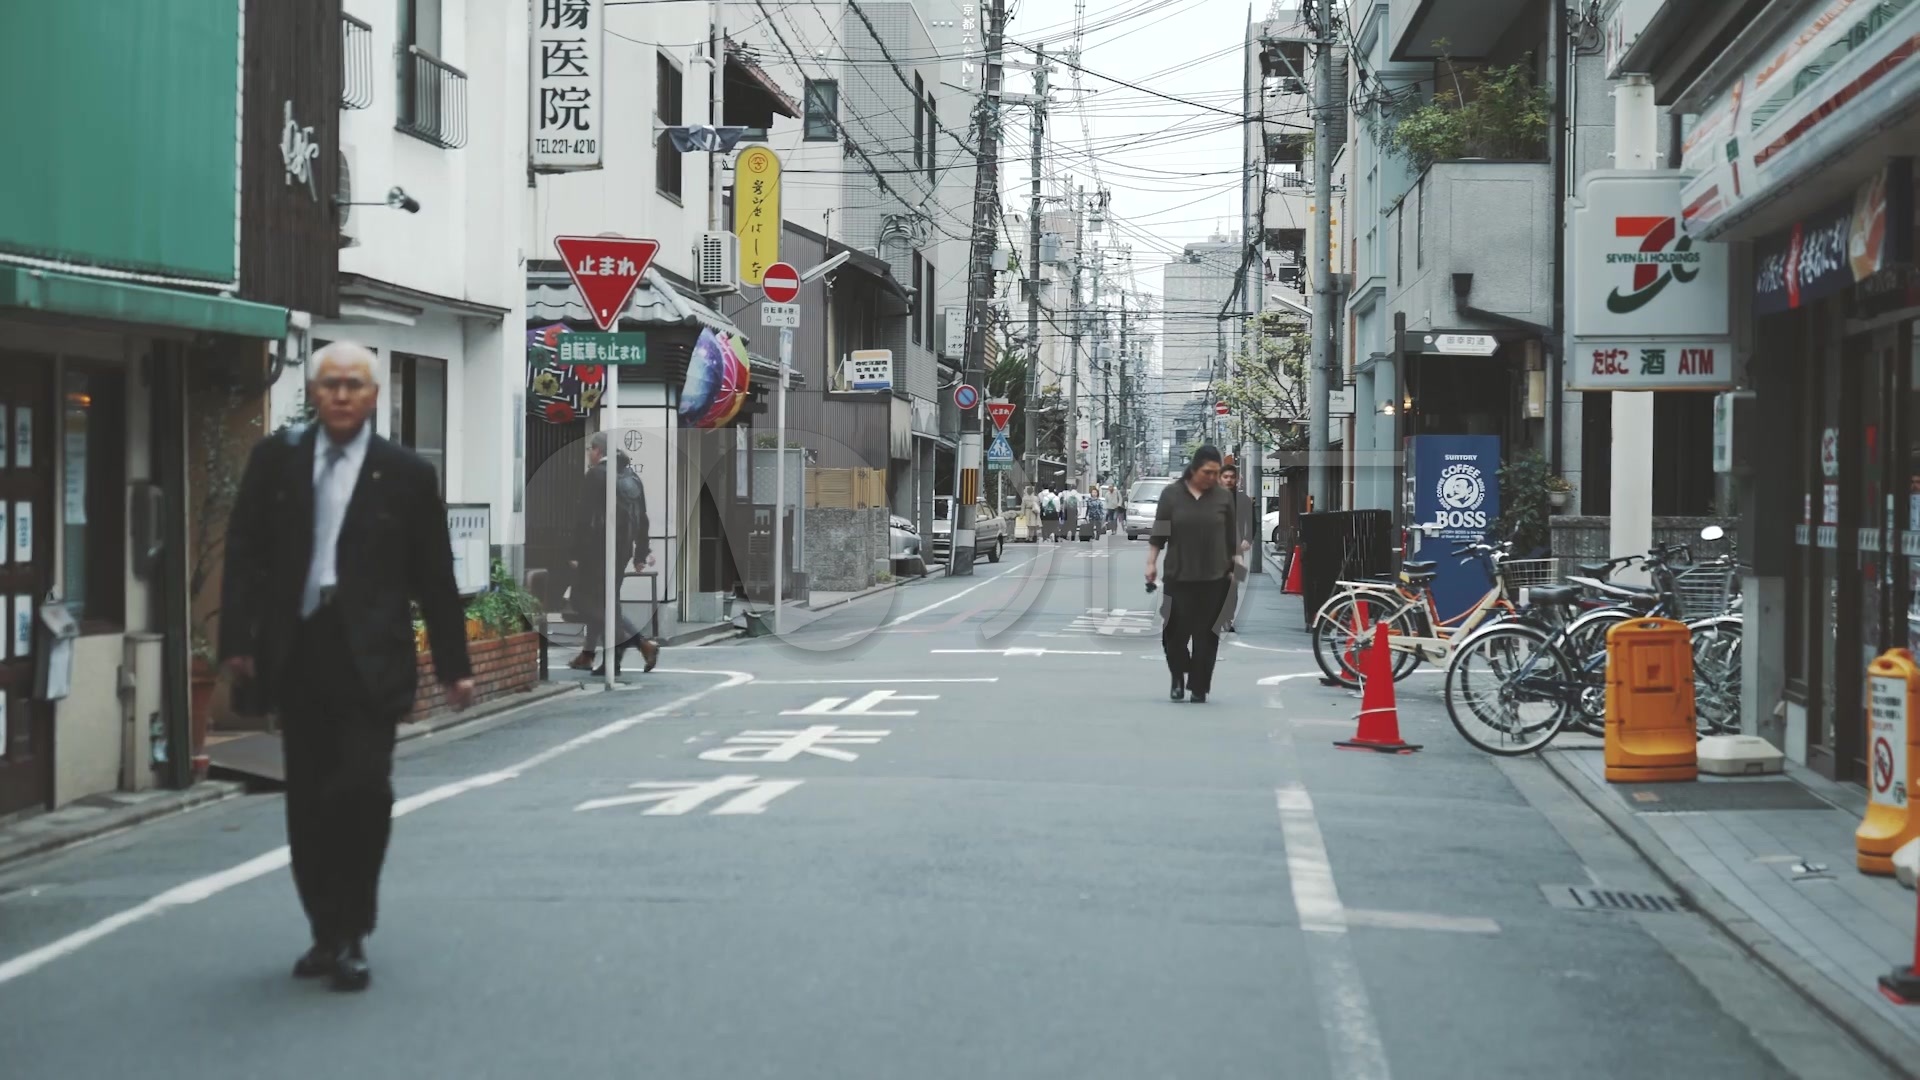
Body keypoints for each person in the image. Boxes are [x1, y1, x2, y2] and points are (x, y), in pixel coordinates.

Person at [219, 343, 473, 993]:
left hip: (371, 657)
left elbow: (435, 576)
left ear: (374, 395)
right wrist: (237, 643)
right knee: (307, 800)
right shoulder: (276, 461)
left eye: (353, 384)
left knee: (362, 791)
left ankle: (353, 928)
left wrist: (454, 664)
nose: (340, 395)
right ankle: (324, 931)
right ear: (313, 390)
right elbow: (245, 554)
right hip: (299, 648)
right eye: (329, 384)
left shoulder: (406, 473)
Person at [1145, 445, 1240, 704]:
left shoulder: (1222, 498)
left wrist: (1234, 567)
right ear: (1194, 469)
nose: (1212, 478)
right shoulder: (1171, 495)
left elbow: (1232, 537)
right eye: (1207, 472)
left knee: (1206, 636)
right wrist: (1151, 563)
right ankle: (1178, 676)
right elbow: (1159, 533)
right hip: (1179, 575)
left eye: (1216, 473)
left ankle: (1199, 687)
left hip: (1215, 577)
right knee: (1174, 635)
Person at [570, 431, 660, 676]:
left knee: (583, 602)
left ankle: (641, 643)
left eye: (590, 448)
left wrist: (576, 554)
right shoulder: (632, 478)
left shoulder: (596, 475)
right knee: (610, 604)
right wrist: (640, 553)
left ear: (598, 450)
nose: (589, 453)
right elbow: (643, 520)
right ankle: (609, 662)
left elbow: (584, 519)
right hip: (621, 553)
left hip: (595, 553)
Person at [1217, 463, 1255, 633]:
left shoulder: (1243, 499)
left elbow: (1253, 521)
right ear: (1220, 479)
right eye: (1226, 477)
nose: (1229, 480)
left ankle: (1227, 618)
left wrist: (1248, 539)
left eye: (1232, 477)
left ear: (1237, 479)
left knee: (1232, 585)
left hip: (1235, 548)